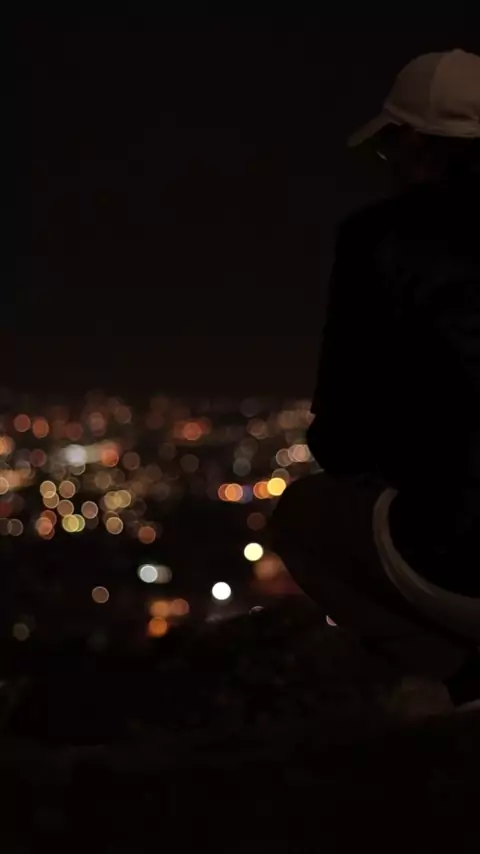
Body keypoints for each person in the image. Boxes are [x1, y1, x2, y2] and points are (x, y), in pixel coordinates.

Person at [271, 49, 480, 709]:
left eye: (390, 149)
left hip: (460, 557)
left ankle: (463, 676)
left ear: (417, 146)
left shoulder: (380, 239)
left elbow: (342, 436)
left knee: (300, 519)